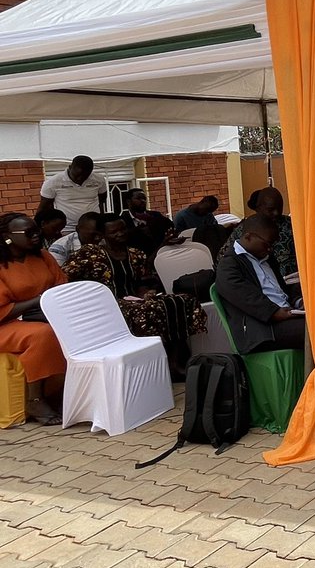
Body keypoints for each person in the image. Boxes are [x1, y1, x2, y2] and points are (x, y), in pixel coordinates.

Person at [215, 215, 315, 430]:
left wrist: (300, 301)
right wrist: (275, 312)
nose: (271, 249)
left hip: (287, 315)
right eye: (267, 244)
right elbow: (244, 297)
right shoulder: (230, 265)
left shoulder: (264, 257)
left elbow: (281, 290)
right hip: (265, 329)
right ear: (248, 237)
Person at [64, 214, 206, 379]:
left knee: (181, 301)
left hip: (134, 299)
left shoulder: (135, 254)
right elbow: (66, 278)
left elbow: (145, 281)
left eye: (122, 229)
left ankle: (175, 361)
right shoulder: (89, 254)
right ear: (102, 235)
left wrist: (147, 292)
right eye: (114, 232)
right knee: (148, 310)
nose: (120, 234)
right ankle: (155, 366)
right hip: (105, 305)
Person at [0, 213, 68, 425]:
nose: (37, 235)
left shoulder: (43, 256)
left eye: (37, 229)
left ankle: (68, 391)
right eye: (29, 233)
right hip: (7, 323)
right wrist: (39, 300)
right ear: (7, 236)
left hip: (44, 314)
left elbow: (61, 286)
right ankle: (35, 399)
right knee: (43, 334)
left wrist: (48, 302)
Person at [225, 187, 296, 276]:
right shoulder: (246, 228)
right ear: (258, 208)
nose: (276, 213)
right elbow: (224, 258)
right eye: (271, 209)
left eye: (279, 208)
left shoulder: (292, 225)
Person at [37, 156, 106, 230]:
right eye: (76, 176)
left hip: (93, 226)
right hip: (66, 228)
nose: (80, 179)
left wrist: (102, 221)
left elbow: (102, 200)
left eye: (84, 176)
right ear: (70, 167)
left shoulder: (99, 180)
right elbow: (44, 207)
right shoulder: (53, 182)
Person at [121, 189, 173, 256]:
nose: (143, 201)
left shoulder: (156, 216)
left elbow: (171, 227)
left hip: (160, 256)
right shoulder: (123, 221)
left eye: (144, 198)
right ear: (128, 201)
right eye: (138, 198)